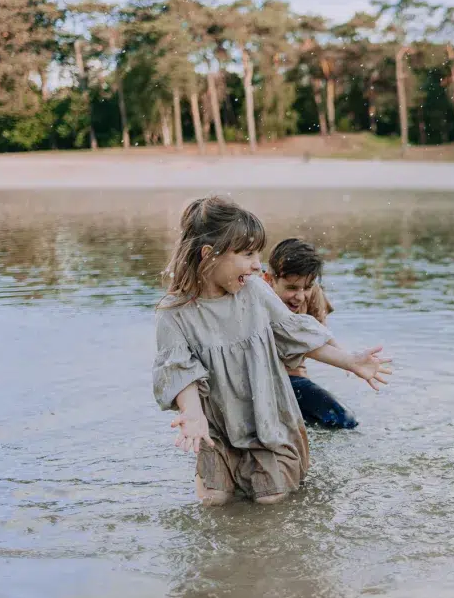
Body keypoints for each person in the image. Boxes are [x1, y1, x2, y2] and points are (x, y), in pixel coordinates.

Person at [152, 196, 391, 506]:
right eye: (248, 254)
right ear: (209, 255)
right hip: (218, 430)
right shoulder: (174, 312)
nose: (257, 265)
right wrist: (193, 415)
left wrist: (349, 361)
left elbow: (294, 332)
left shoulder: (253, 291)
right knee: (213, 501)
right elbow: (178, 370)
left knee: (271, 500)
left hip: (268, 423)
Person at [263, 238, 358, 429]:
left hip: (293, 377)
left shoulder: (314, 294)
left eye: (306, 287)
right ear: (269, 280)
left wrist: (348, 360)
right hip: (259, 381)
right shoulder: (255, 295)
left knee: (344, 421)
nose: (299, 296)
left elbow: (318, 337)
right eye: (291, 288)